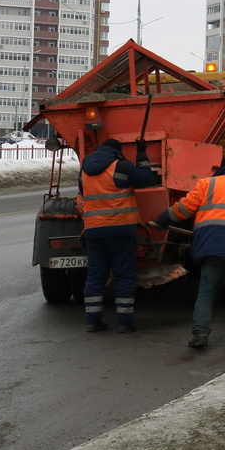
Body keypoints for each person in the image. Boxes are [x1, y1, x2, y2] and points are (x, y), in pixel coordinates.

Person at [150, 154, 225, 348]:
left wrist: (163, 219)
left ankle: (200, 335)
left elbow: (185, 207)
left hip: (210, 244)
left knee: (206, 290)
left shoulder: (207, 184)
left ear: (221, 169)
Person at [79, 137, 152, 333]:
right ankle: (125, 322)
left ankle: (93, 321)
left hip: (93, 230)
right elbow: (146, 180)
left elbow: (82, 192)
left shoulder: (85, 168)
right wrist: (142, 155)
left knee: (95, 276)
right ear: (117, 152)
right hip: (120, 230)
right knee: (124, 275)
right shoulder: (121, 166)